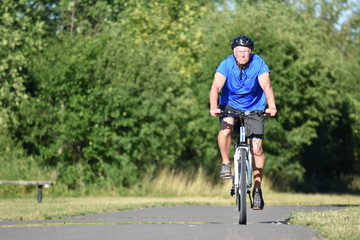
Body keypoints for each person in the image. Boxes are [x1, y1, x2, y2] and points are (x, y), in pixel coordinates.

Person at [209, 35, 277, 210]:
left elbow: (266, 86)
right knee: (225, 129)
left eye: (246, 52)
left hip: (255, 107)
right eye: (239, 51)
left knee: (256, 147)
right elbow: (216, 87)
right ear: (234, 52)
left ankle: (257, 190)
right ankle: (225, 163)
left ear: (250, 52)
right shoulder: (226, 64)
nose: (242, 55)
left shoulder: (258, 63)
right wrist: (213, 106)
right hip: (230, 106)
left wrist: (272, 105)